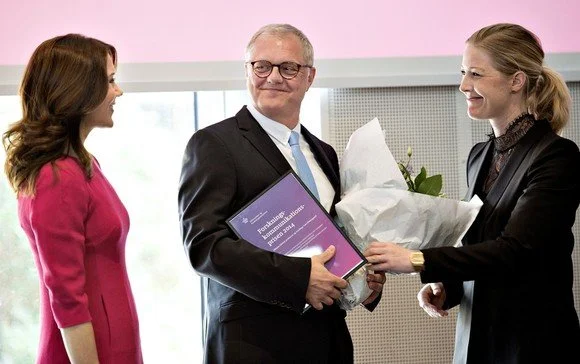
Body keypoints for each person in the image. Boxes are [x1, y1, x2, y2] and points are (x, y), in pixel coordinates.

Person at [364, 23, 580, 363]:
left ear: (516, 80)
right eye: (464, 73)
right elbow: (480, 244)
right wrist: (449, 287)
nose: (464, 85)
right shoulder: (480, 155)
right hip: (477, 339)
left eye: (476, 74)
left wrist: (417, 259)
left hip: (533, 343)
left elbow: (515, 251)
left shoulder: (557, 156)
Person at [178, 23, 384, 363]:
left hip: (326, 338)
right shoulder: (215, 144)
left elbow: (333, 233)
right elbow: (203, 246)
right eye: (261, 66)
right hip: (255, 342)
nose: (273, 77)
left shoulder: (325, 152)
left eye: (288, 68)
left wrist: (363, 277)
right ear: (248, 70)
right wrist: (299, 278)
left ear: (309, 77)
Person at [2, 34, 142, 363]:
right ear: (78, 91)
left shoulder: (83, 164)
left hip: (114, 342)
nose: (118, 91)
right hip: (88, 352)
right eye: (109, 81)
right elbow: (67, 299)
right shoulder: (58, 178)